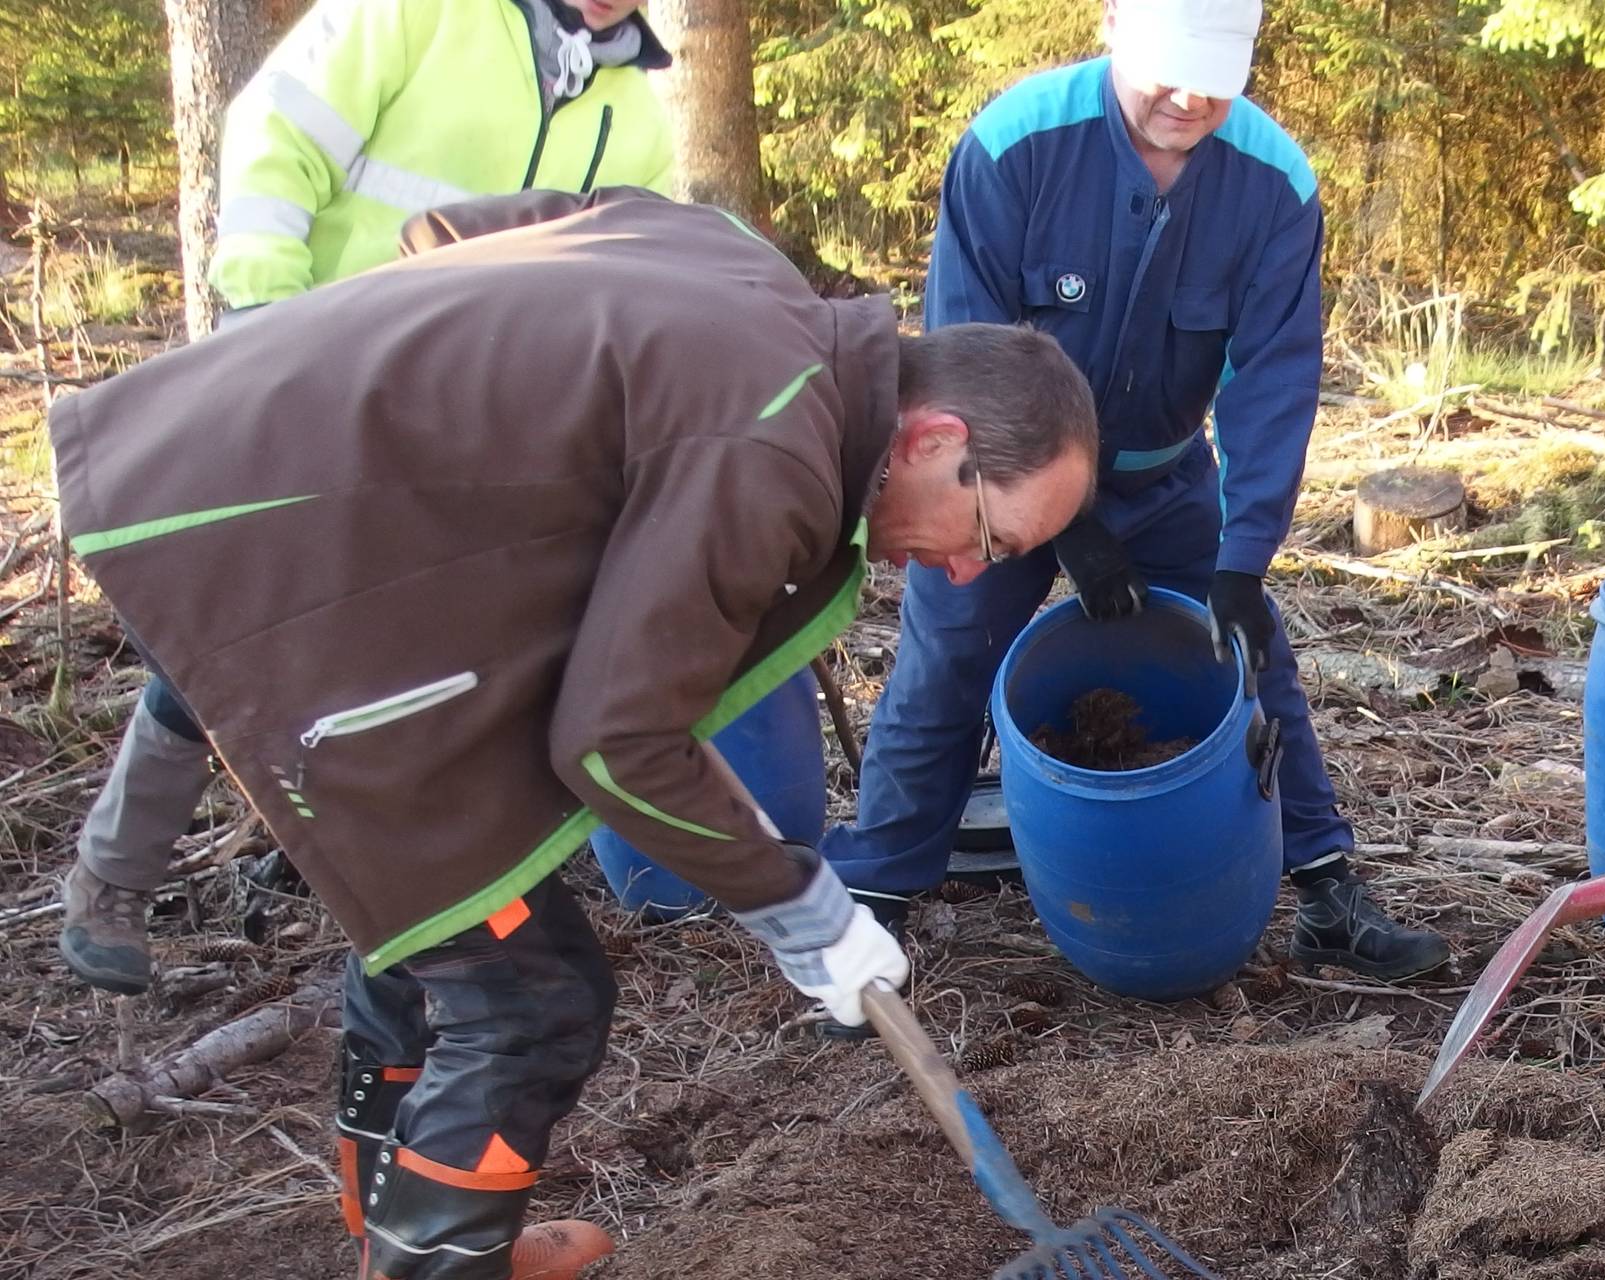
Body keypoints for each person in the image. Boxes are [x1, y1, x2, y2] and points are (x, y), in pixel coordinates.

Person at [46, 187, 1098, 1279]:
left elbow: (444, 233)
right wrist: (800, 903)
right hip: (284, 569)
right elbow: (614, 744)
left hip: (205, 449)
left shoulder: (731, 254)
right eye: (987, 531)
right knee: (532, 996)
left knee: (442, 910)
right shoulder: (771, 449)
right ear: (934, 436)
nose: (970, 567)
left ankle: (401, 1225)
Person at [814, 0, 1448, 984]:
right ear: (1113, 24)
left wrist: (1243, 560)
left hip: (1164, 473)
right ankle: (875, 902)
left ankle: (1325, 884)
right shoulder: (1015, 146)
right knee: (948, 657)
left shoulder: (1274, 183)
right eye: (1169, 68)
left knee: (1249, 651)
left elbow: (1274, 377)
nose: (1191, 96)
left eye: (1217, 72)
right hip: (994, 484)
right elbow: (959, 356)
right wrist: (1070, 530)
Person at [57, 0, 678, 996]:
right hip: (309, 370)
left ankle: (377, 876)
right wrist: (260, 312)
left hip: (466, 434)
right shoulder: (417, 14)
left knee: (416, 655)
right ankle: (112, 876)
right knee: (228, 620)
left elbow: (632, 279)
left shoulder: (636, 117)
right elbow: (277, 135)